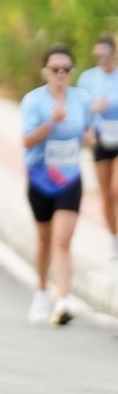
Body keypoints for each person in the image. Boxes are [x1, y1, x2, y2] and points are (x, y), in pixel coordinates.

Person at [21, 44, 92, 326]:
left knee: (63, 240)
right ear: (45, 71)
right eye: (55, 69)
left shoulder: (81, 99)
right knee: (44, 239)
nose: (61, 74)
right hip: (40, 177)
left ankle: (63, 299)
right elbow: (26, 141)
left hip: (70, 177)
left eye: (66, 69)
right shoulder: (34, 101)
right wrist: (52, 121)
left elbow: (88, 131)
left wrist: (89, 139)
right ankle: (41, 291)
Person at [77, 34, 118, 258]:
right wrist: (87, 129)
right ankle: (114, 238)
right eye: (97, 56)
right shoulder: (87, 78)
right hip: (100, 138)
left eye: (105, 55)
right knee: (106, 194)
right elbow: (81, 109)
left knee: (116, 189)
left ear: (114, 54)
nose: (101, 59)